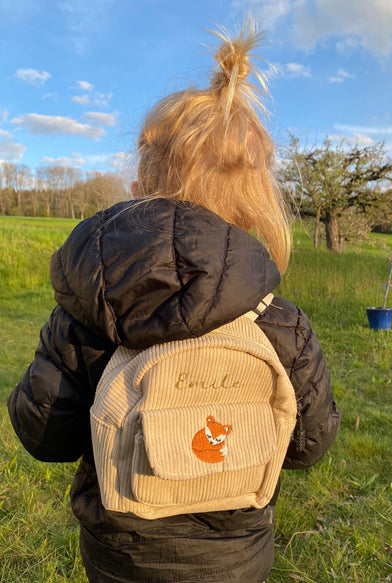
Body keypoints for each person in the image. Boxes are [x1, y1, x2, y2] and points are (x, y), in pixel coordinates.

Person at [8, 21, 340, 583]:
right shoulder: (277, 321)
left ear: (140, 185)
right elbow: (308, 446)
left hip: (121, 548)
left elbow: (43, 435)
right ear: (259, 199)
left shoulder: (90, 310)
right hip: (236, 553)